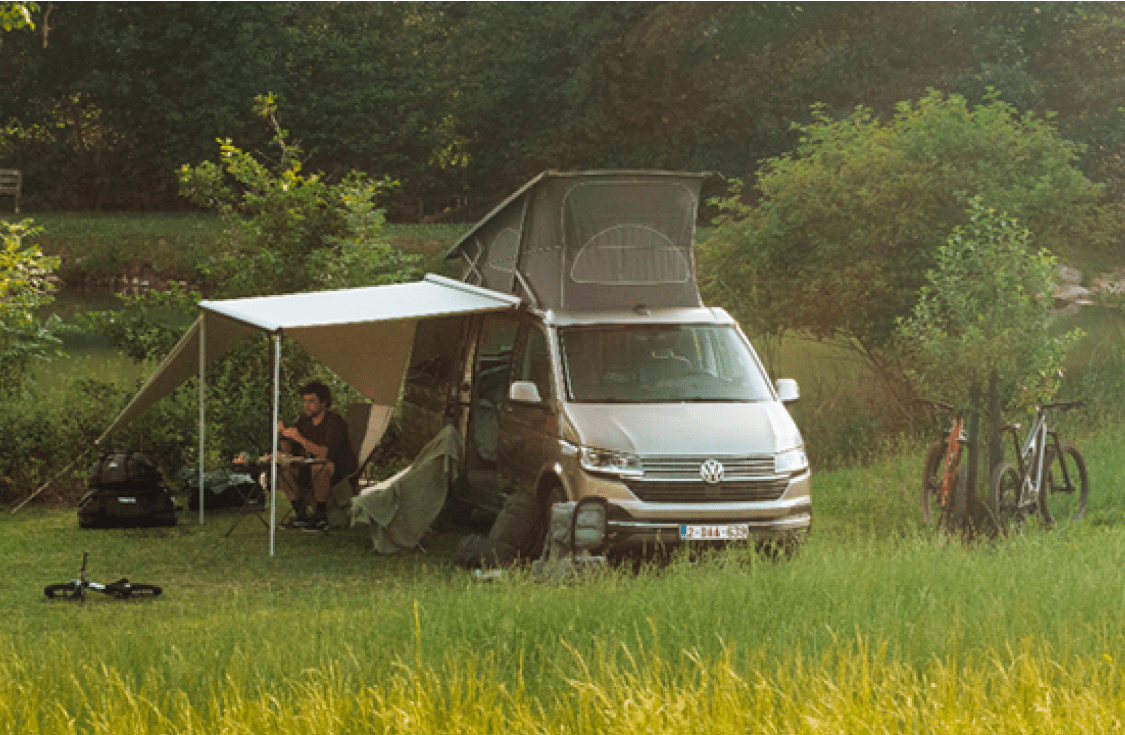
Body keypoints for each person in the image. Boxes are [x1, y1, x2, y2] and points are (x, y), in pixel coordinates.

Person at [277, 381, 357, 530]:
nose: (307, 405)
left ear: (323, 402)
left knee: (319, 465)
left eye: (311, 401)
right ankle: (301, 514)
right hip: (310, 466)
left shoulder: (334, 421)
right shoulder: (304, 421)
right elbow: (288, 451)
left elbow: (325, 453)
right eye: (305, 401)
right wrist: (282, 437)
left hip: (338, 467)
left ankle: (320, 516)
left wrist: (299, 438)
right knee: (283, 470)